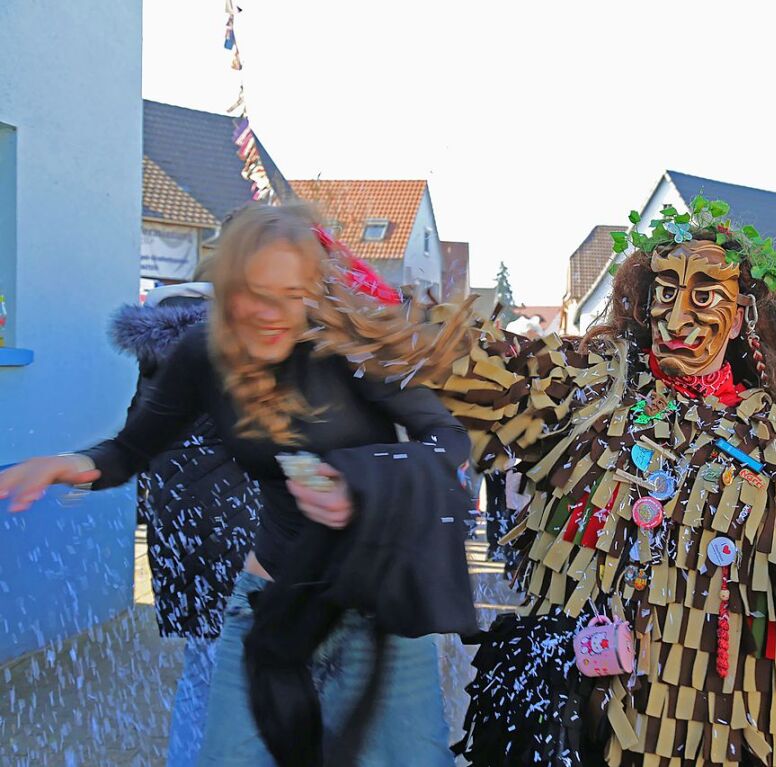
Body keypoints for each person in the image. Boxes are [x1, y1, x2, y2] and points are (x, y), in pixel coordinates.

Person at [441, 199, 776, 767]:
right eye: (665, 293)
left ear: (740, 316)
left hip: (716, 728)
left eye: (704, 297)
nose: (677, 318)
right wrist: (401, 332)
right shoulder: (594, 387)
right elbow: (479, 383)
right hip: (581, 719)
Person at [0, 203, 477, 766]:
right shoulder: (204, 355)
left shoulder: (344, 348)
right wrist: (65, 463)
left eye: (294, 294)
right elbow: (130, 451)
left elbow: (448, 442)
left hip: (377, 608)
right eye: (257, 293)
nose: (275, 315)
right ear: (226, 288)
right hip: (266, 605)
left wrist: (359, 480)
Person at [109, 267, 260, 766]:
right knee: (244, 674)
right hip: (238, 530)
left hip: (177, 533)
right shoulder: (237, 348)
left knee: (202, 667)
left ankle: (186, 758)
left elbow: (139, 435)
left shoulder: (155, 354)